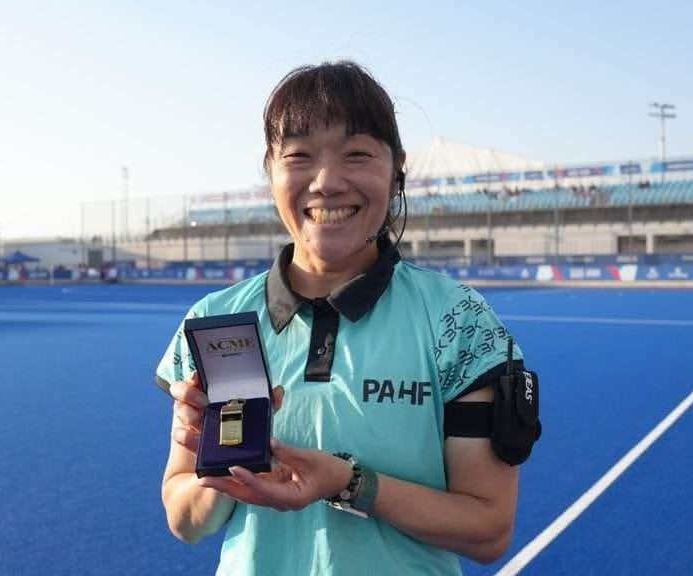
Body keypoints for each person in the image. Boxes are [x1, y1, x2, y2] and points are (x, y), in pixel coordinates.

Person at [156, 61, 533, 575]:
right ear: (270, 171)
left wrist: (348, 482)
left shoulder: (458, 320)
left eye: (356, 154)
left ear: (397, 169)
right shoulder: (216, 320)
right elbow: (187, 521)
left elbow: (488, 529)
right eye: (299, 156)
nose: (327, 182)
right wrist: (216, 463)